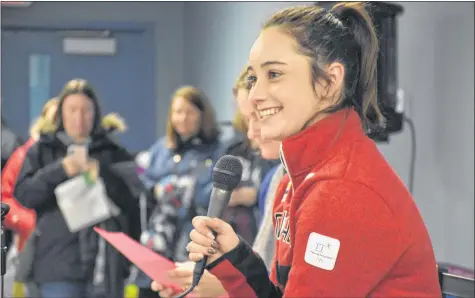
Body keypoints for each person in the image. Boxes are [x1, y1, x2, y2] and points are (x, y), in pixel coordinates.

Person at [166, 3, 442, 297]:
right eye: (253, 78)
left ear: (329, 83)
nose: (257, 95)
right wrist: (233, 257)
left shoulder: (342, 189)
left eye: (274, 74)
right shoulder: (294, 179)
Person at [151, 68, 282, 298]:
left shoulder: (275, 177)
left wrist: (224, 285)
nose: (250, 133)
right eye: (246, 120)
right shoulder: (276, 179)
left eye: (258, 116)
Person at [14, 79, 141, 298]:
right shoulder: (43, 150)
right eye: (72, 110)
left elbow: (132, 200)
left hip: (106, 267)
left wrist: (100, 173)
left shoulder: (113, 151)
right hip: (57, 265)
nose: (79, 118)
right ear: (61, 113)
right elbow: (25, 194)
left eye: (86, 110)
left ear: (96, 113)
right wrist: (60, 170)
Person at [135, 85, 222, 298]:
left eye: (189, 112)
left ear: (203, 115)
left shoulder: (217, 149)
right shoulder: (161, 148)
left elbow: (209, 193)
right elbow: (143, 181)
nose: (182, 118)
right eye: (177, 112)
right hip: (156, 245)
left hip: (191, 246)